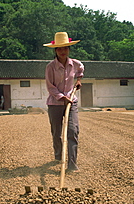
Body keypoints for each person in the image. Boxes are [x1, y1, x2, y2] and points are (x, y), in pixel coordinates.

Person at [43, 32, 84, 172]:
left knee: (73, 131)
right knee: (57, 133)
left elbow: (81, 70)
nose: (63, 51)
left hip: (71, 102)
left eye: (65, 48)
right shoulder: (50, 67)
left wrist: (78, 80)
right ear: (55, 50)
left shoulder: (75, 64)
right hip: (55, 103)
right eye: (60, 48)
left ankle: (72, 164)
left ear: (69, 49)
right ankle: (59, 155)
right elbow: (50, 87)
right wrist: (62, 97)